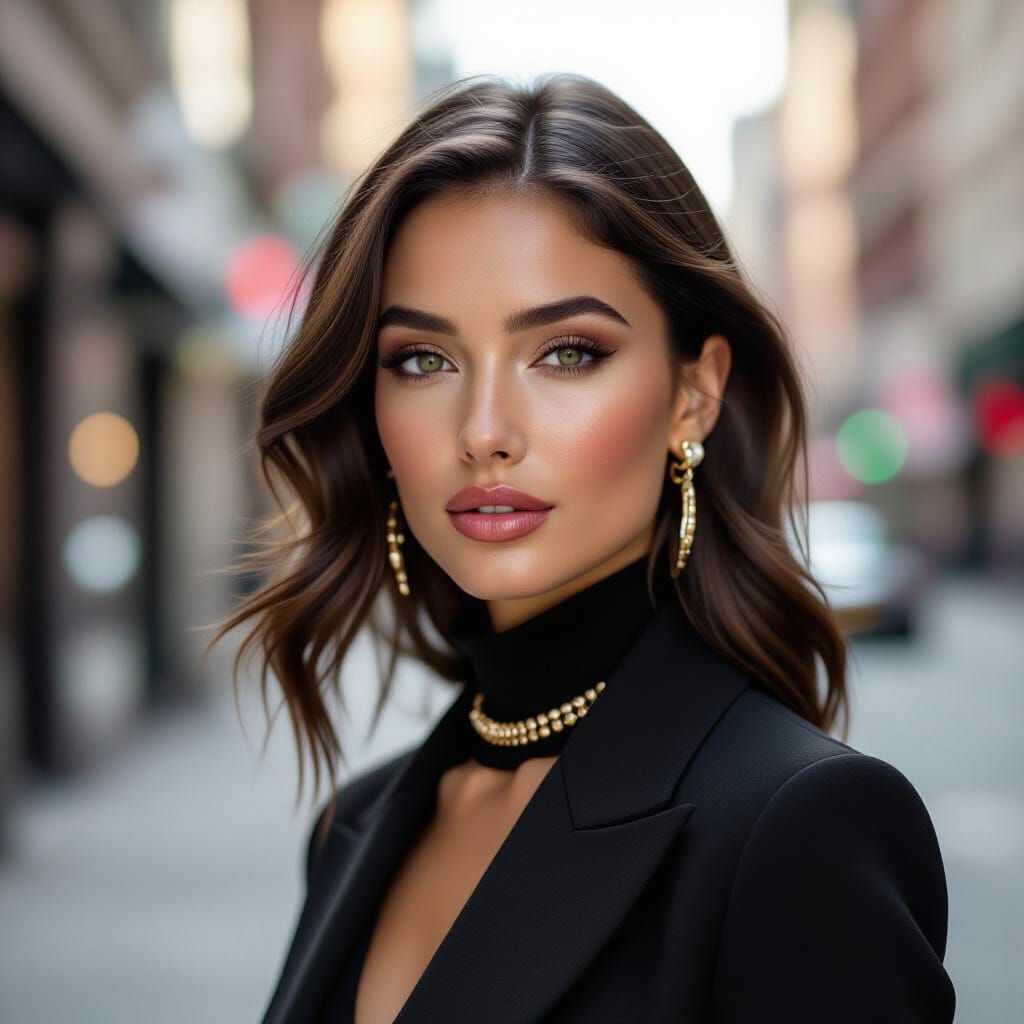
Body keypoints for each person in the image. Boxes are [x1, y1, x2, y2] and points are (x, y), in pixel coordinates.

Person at [207, 73, 955, 1023]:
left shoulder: (795, 826)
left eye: (566, 352)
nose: (483, 430)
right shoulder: (354, 826)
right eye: (422, 360)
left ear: (696, 392)